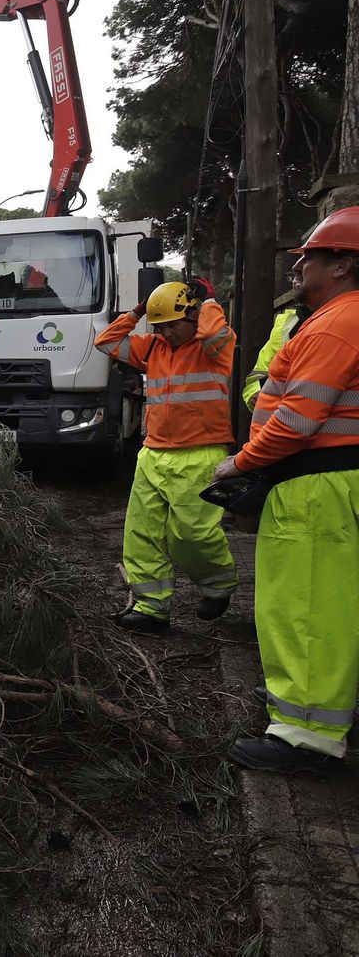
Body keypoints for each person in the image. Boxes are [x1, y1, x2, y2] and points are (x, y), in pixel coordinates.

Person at [213, 206, 359, 773]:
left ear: (343, 263)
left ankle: (307, 738)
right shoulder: (338, 318)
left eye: (310, 259)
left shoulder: (335, 322)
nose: (299, 271)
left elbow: (298, 421)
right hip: (331, 480)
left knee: (305, 606)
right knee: (333, 603)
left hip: (315, 486)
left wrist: (239, 464)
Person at [94, 280, 238, 632]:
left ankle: (218, 586)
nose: (168, 332)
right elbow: (107, 341)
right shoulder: (153, 348)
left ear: (193, 316)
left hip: (201, 453)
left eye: (174, 324)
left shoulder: (214, 346)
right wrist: (140, 310)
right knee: (142, 533)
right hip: (153, 452)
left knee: (191, 535)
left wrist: (209, 302)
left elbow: (215, 335)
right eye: (160, 326)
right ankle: (151, 607)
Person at [241, 266, 309, 408]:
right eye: (294, 277)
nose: (296, 283)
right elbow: (258, 374)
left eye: (301, 277)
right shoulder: (288, 321)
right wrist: (255, 393)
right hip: (281, 421)